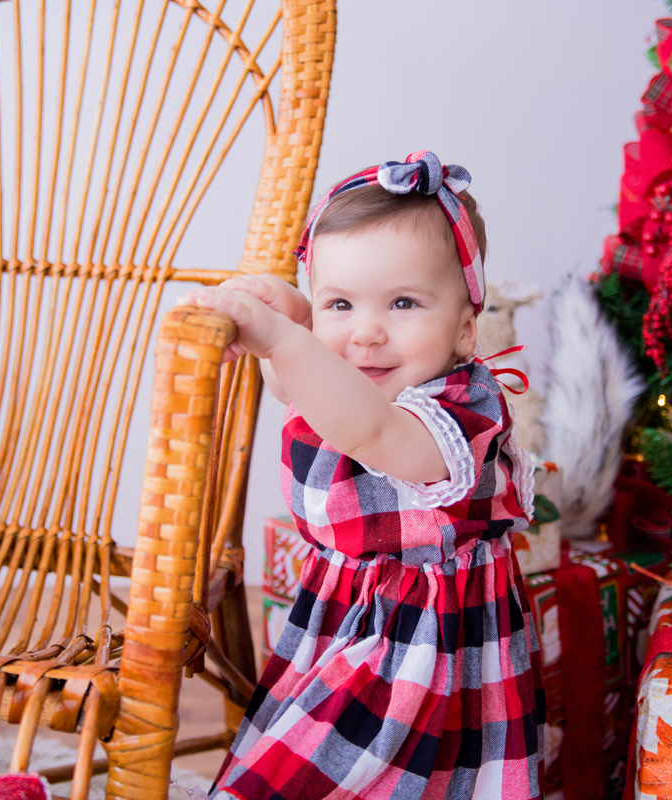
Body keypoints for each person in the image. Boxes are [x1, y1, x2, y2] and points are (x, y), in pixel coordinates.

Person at [178, 151, 544, 800]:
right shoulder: (345, 374)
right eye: (341, 303)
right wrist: (293, 320)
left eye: (403, 303)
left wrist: (286, 338)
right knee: (292, 750)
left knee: (376, 778)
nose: (367, 333)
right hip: (349, 619)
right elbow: (298, 388)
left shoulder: (461, 413)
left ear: (465, 331)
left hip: (425, 653)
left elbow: (368, 430)